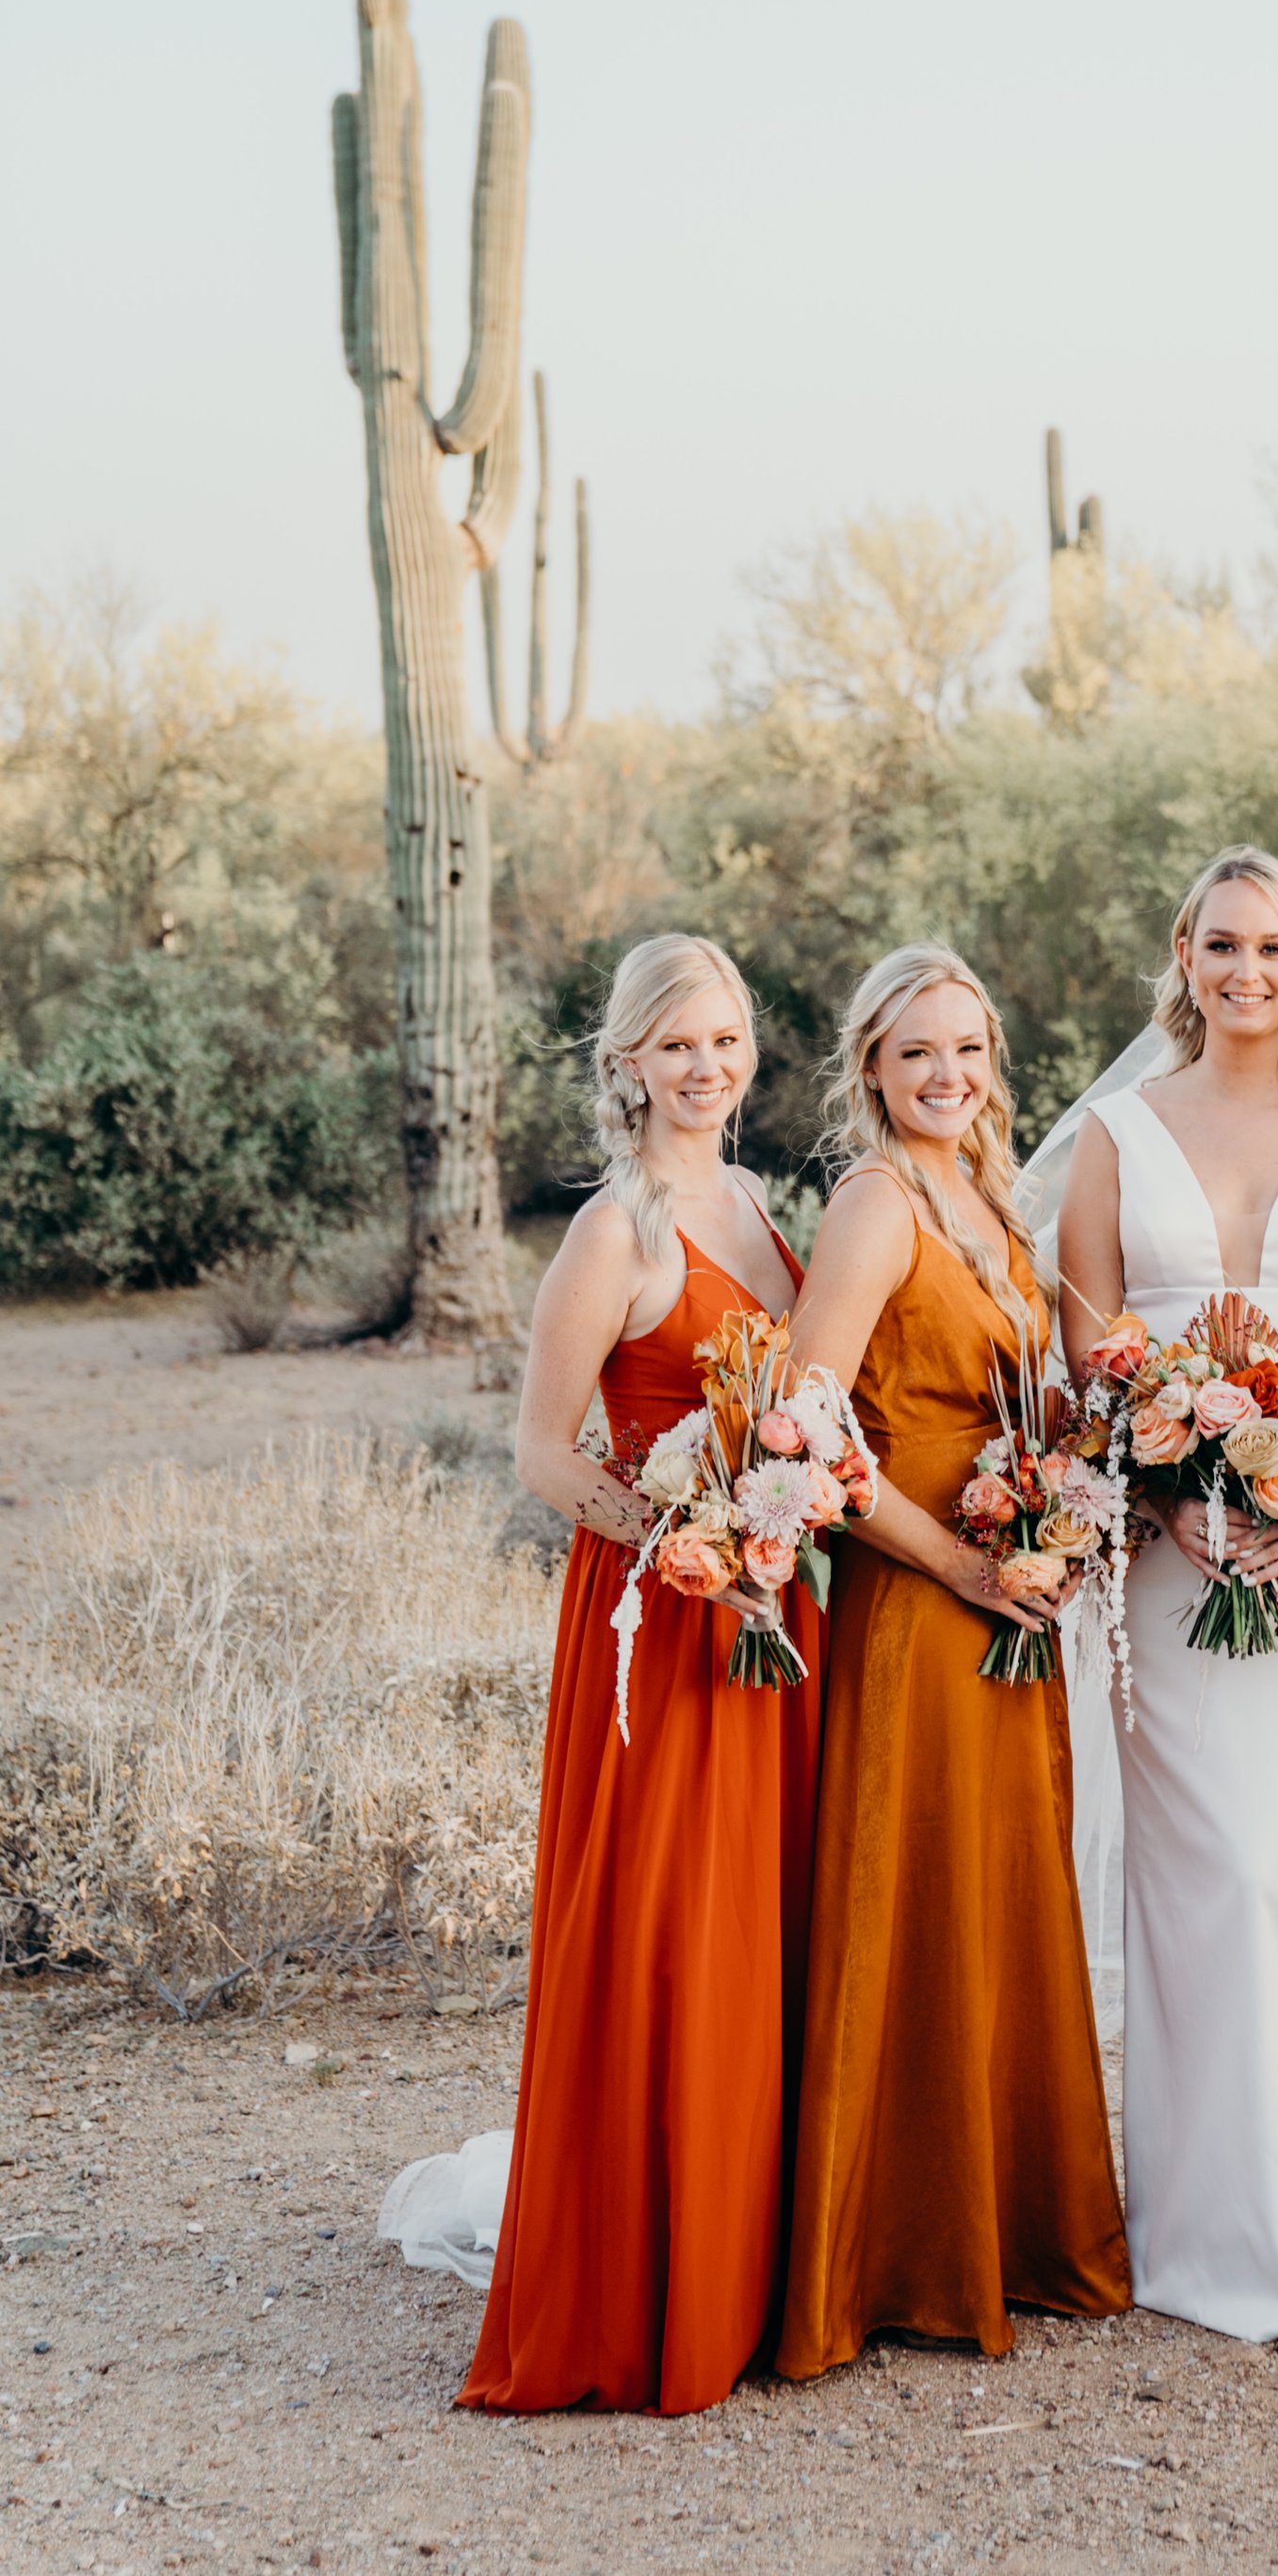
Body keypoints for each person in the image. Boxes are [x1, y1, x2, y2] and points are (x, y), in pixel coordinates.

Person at [1057, 845, 1278, 2343]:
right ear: (1183, 955)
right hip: (1165, 1557)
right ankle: (1202, 2228)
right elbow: (1084, 1355)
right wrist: (1171, 1494)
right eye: (1223, 944)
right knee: (1201, 1876)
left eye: (1276, 948)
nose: (1249, 971)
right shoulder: (1111, 1133)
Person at [461, 934, 821, 2416]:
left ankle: (743, 2259)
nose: (707, 1066)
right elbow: (546, 1450)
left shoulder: (755, 1202)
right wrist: (680, 1538)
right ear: (626, 1063)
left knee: (752, 1928)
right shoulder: (613, 1232)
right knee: (666, 1930)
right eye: (677, 1043)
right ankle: (640, 2279)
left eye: (726, 1039)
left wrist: (779, 1528)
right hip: (656, 1624)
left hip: (768, 1615)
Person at [779, 946, 1129, 2378]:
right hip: (920, 1596)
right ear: (871, 1065)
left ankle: (1005, 2221)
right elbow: (808, 1427)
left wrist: (1065, 1494)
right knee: (910, 1891)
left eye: (968, 1051)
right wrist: (959, 1561)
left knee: (994, 1893)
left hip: (1009, 1585)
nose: (946, 1076)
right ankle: (889, 2251)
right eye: (916, 1052)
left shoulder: (992, 1202)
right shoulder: (872, 1205)